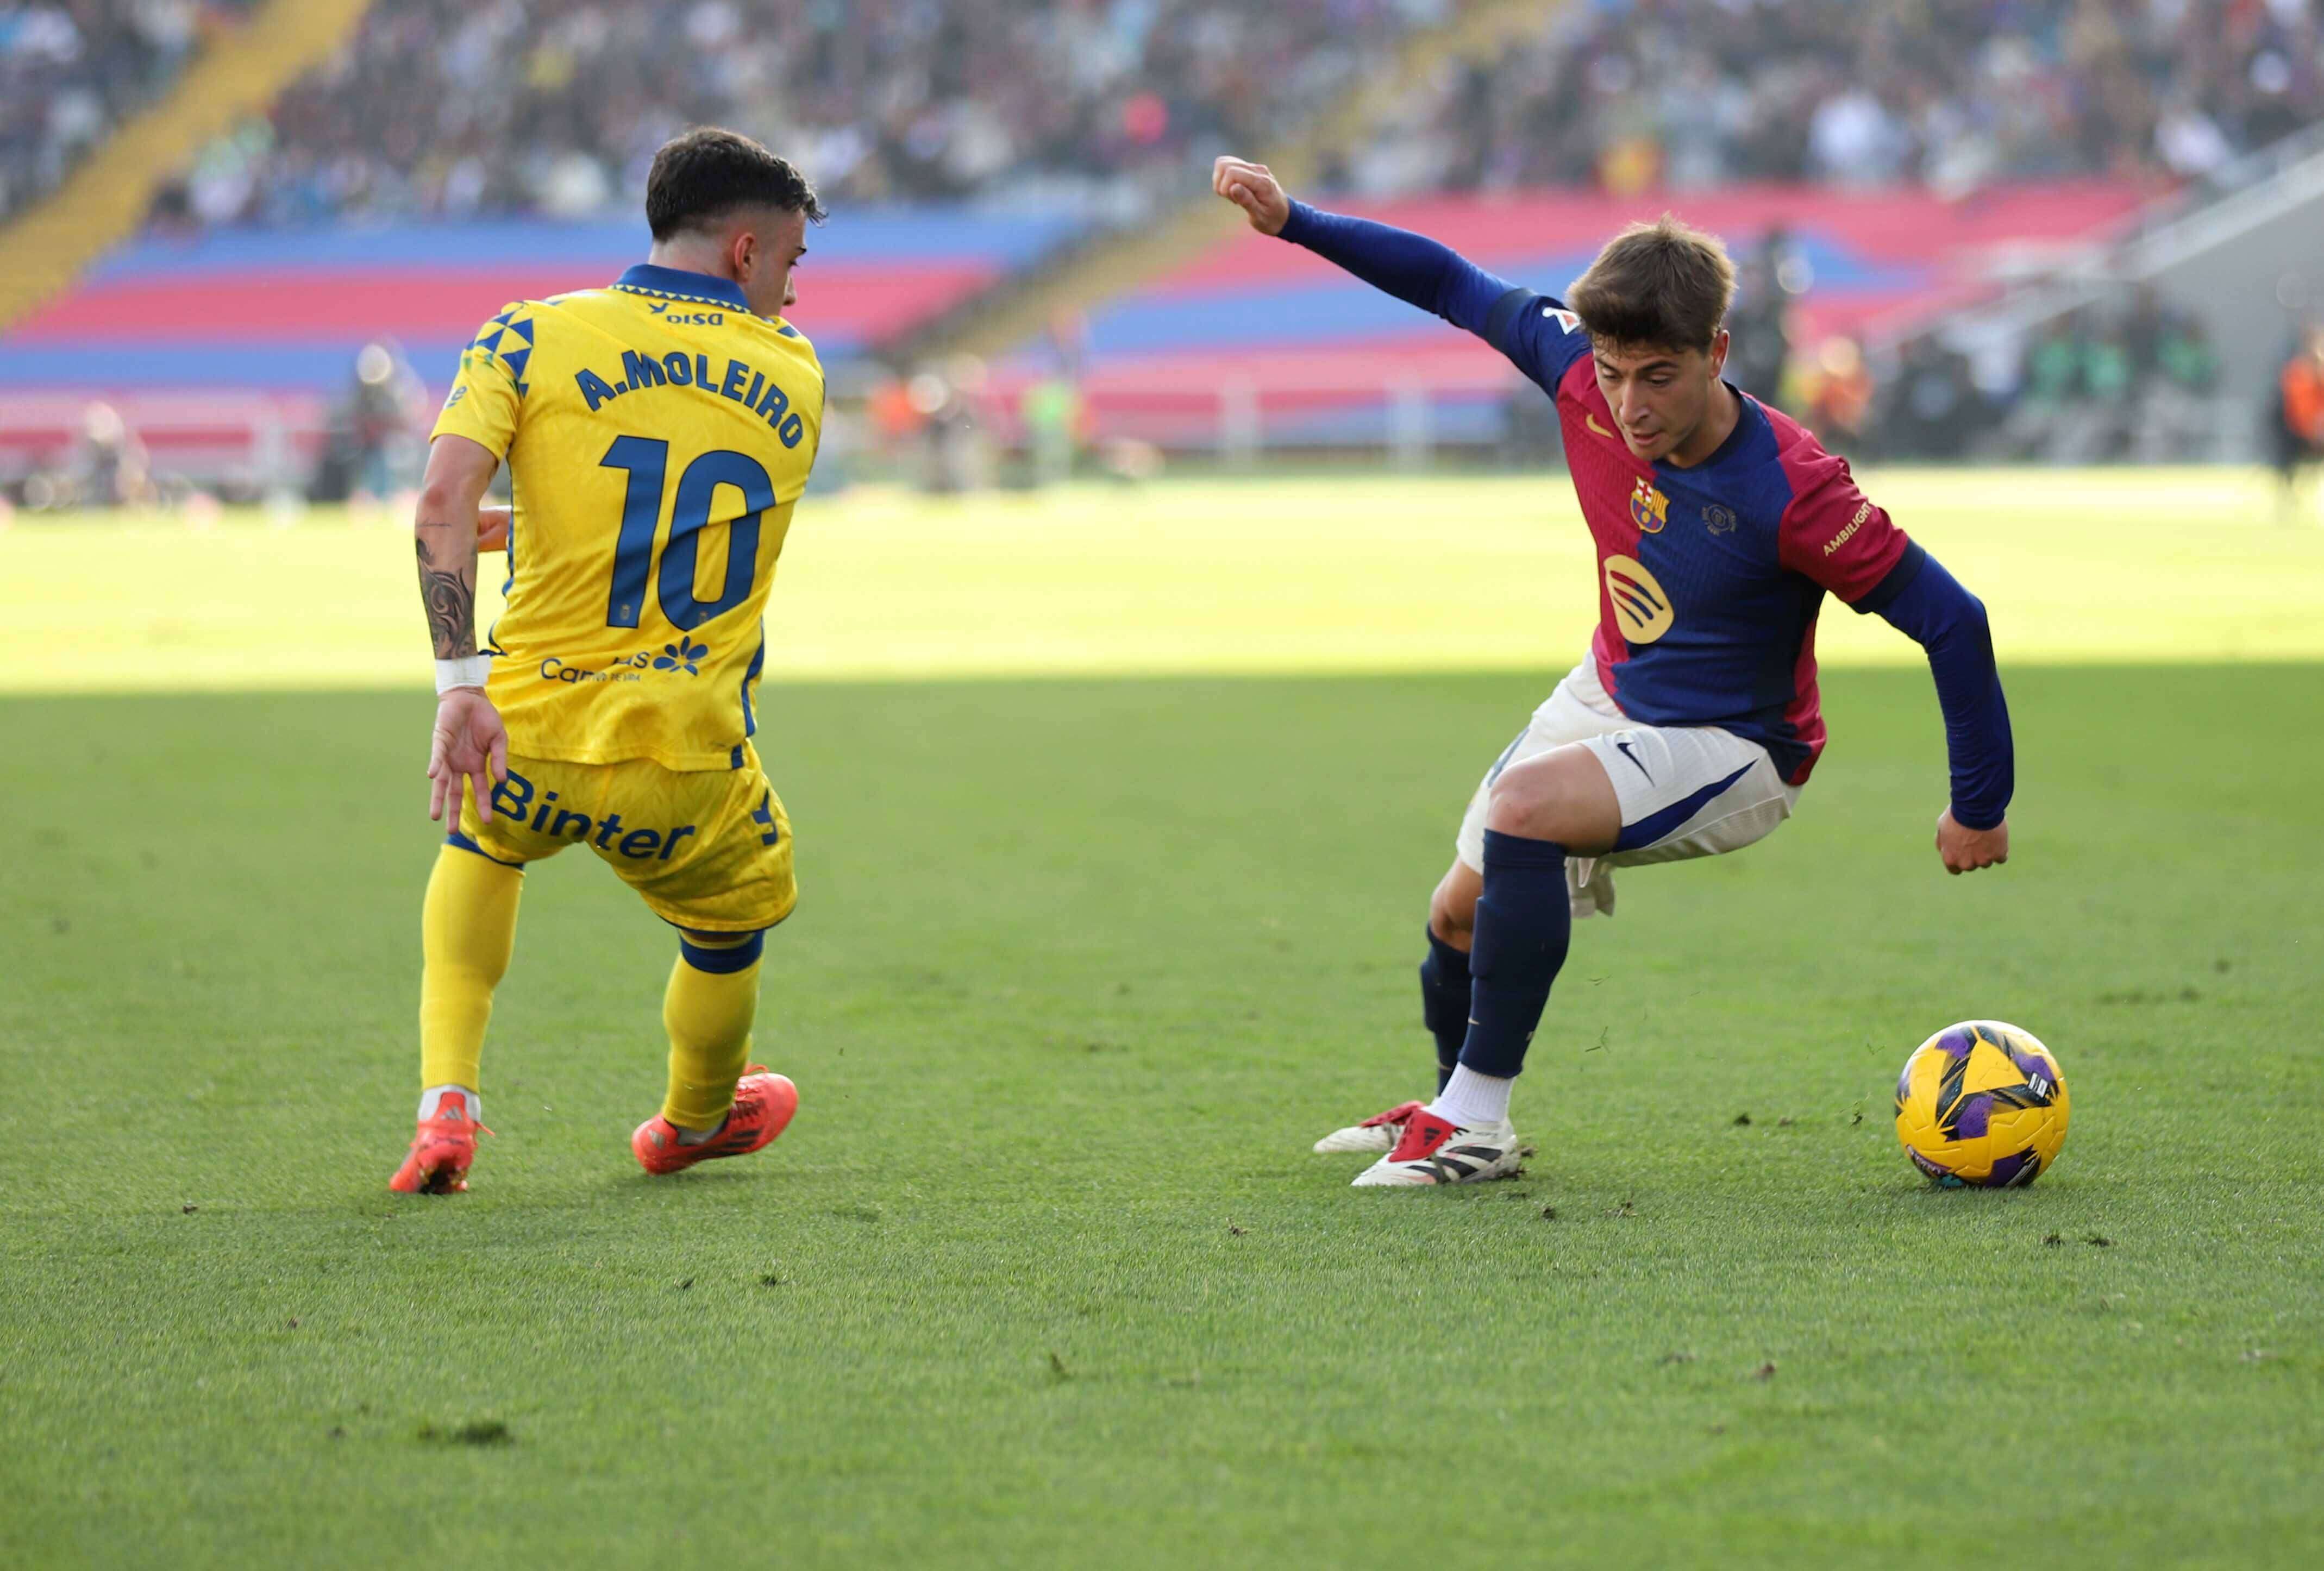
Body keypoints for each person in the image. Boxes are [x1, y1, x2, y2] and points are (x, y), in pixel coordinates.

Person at [1211, 156, 2014, 1187]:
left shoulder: (1794, 488)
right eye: (1613, 369)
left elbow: (1951, 618)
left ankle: (1479, 1128)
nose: (1627, 402)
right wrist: (1294, 221)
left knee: (1525, 808)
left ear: (1716, 352)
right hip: (1612, 688)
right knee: (1453, 912)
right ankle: (1450, 1105)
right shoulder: (1578, 371)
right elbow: (1452, 282)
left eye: (1659, 376)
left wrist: (1978, 805)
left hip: (1740, 746)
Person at [389, 128, 828, 1193]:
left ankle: (448, 1101)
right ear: (742, 252)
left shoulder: (530, 335)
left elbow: (444, 503)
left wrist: (462, 687)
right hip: (687, 761)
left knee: (480, 846)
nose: (793, 295)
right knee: (730, 929)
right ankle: (690, 1121)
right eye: (789, 264)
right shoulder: (797, 377)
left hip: (528, 729)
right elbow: (676, 490)